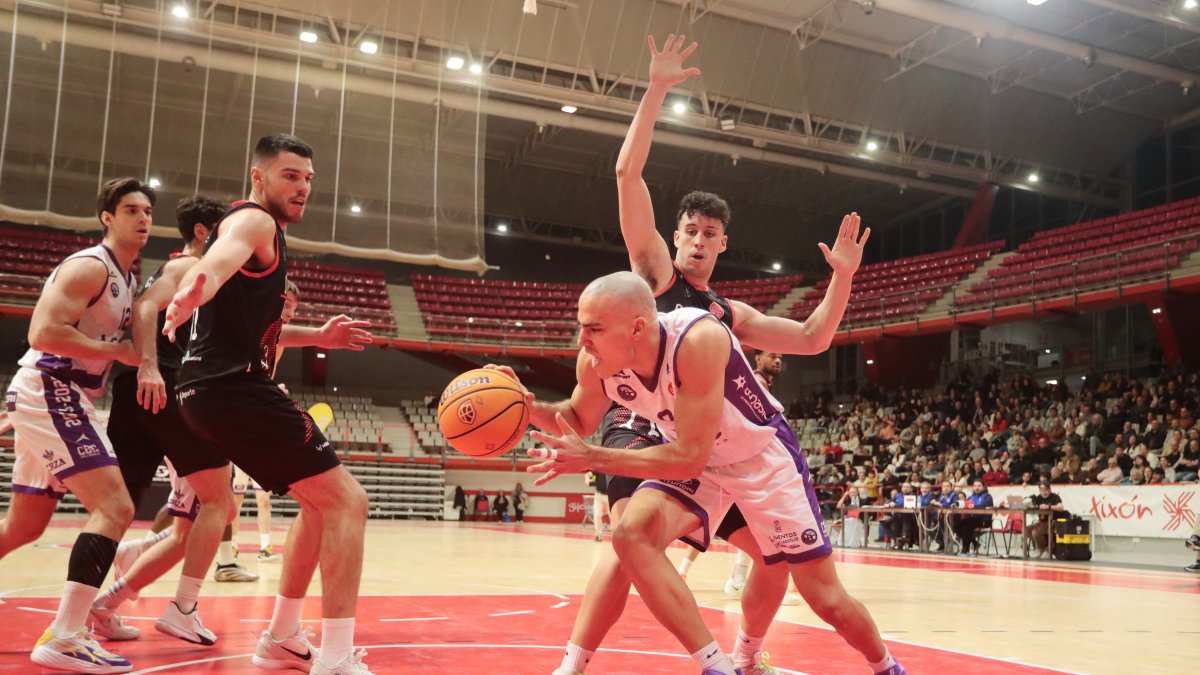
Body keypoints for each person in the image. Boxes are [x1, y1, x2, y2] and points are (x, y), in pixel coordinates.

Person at [553, 33, 871, 675]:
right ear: (674, 237)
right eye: (690, 231)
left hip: (708, 448)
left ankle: (747, 657)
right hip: (638, 428)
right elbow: (627, 174)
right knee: (624, 544)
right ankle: (575, 663)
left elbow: (812, 338)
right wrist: (657, 90)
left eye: (710, 234)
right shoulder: (652, 278)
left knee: (773, 557)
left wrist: (841, 277)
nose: (698, 241)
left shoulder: (726, 316)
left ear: (724, 244)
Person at [508, 272, 904, 675]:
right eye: (581, 327)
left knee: (825, 598)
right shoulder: (597, 362)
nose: (582, 341)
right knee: (631, 535)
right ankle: (717, 666)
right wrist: (525, 407)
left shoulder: (698, 339)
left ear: (637, 328)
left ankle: (887, 667)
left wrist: (592, 457)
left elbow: (688, 457)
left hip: (759, 457)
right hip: (702, 461)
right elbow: (577, 416)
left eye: (593, 329)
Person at [163, 133, 374, 675]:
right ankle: (335, 657)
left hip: (207, 391)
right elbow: (221, 256)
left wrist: (315, 337)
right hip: (232, 389)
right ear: (259, 177)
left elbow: (254, 324)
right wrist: (197, 287)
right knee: (349, 502)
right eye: (290, 176)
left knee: (318, 505)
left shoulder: (266, 232)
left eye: (308, 178)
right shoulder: (254, 221)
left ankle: (282, 635)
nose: (303, 187)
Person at [0, 178, 152, 672]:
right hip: (50, 385)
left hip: (58, 394)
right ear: (107, 217)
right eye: (131, 210)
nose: (143, 218)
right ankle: (65, 636)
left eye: (148, 211)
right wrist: (118, 352)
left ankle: (68, 632)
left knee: (24, 526)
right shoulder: (91, 267)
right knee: (114, 507)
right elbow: (42, 331)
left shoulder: (129, 279)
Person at [89, 194, 242, 647]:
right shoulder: (184, 268)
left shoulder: (205, 279)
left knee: (137, 515)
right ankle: (182, 609)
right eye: (226, 229)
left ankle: (93, 609)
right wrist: (150, 366)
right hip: (163, 386)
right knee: (220, 502)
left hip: (146, 391)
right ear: (202, 232)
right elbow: (144, 308)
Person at [227, 279, 303, 567]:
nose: (292, 314)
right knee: (232, 498)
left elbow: (265, 378)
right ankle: (230, 548)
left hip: (256, 424)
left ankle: (264, 547)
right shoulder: (251, 325)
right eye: (288, 306)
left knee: (263, 498)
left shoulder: (279, 340)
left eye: (295, 309)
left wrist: (273, 391)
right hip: (234, 420)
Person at [1023, 481, 1066, 559]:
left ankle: (1048, 549)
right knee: (1025, 529)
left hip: (1053, 522)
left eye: (1045, 490)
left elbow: (1061, 507)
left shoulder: (1055, 497)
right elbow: (1033, 506)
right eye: (1041, 491)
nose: (1044, 492)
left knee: (1035, 532)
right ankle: (1037, 550)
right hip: (1041, 522)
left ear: (1049, 489)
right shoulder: (1038, 498)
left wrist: (1048, 507)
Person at [953, 480, 993, 556]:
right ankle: (975, 543)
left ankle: (965, 549)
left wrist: (971, 506)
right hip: (973, 519)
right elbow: (965, 504)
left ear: (984, 487)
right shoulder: (971, 497)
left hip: (984, 520)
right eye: (975, 486)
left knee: (966, 526)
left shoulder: (988, 497)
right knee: (956, 526)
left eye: (979, 486)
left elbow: (983, 506)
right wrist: (957, 504)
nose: (976, 488)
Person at [586, 471, 610, 540]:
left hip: (610, 495)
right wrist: (588, 477)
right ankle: (598, 535)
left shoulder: (613, 470)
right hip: (599, 495)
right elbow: (593, 478)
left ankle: (617, 535)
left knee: (613, 515)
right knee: (597, 514)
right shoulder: (598, 470)